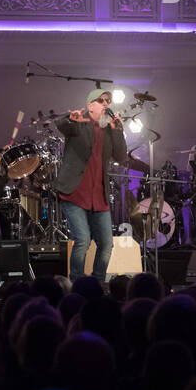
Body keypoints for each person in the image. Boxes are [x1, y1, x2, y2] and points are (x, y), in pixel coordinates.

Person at [53, 89, 127, 284]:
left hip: (98, 196)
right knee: (83, 240)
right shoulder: (79, 123)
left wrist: (119, 131)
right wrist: (71, 119)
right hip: (75, 192)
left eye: (108, 101)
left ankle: (97, 283)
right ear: (90, 105)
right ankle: (76, 284)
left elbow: (121, 157)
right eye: (101, 100)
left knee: (107, 244)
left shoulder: (110, 130)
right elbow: (61, 125)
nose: (106, 104)